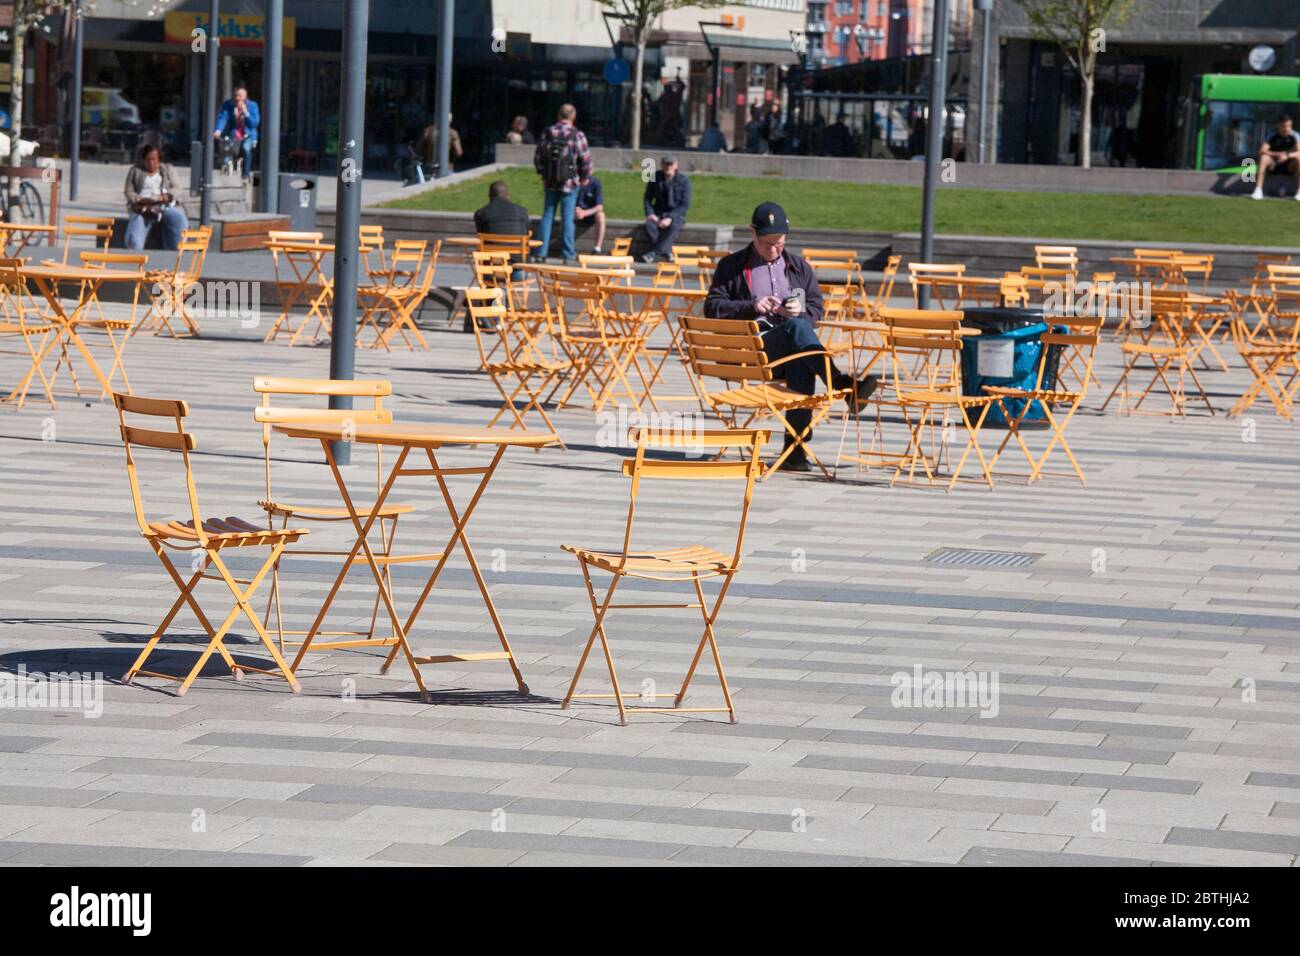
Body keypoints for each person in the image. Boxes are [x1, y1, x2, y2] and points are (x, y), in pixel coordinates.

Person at [703, 202, 877, 472]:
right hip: (753, 348)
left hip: (790, 349)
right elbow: (713, 306)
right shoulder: (732, 266)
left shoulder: (799, 267)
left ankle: (794, 451)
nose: (773, 249)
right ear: (752, 233)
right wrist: (753, 305)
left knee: (801, 352)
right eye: (767, 243)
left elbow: (817, 307)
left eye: (779, 243)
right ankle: (843, 385)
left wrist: (801, 313)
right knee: (798, 334)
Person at [533, 103, 593, 263]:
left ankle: (540, 252)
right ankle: (567, 254)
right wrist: (584, 176)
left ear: (558, 115)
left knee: (547, 215)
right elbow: (585, 159)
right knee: (567, 218)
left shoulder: (548, 132)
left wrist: (543, 174)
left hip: (550, 182)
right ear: (573, 117)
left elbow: (538, 156)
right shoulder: (577, 134)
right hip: (570, 183)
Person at [123, 144, 188, 251]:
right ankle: (135, 254)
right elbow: (128, 191)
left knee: (179, 219)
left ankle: (177, 249)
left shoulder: (167, 170)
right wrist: (137, 199)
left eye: (154, 160)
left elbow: (177, 188)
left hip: (164, 205)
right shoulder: (135, 171)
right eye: (148, 160)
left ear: (159, 160)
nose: (151, 163)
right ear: (143, 160)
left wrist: (165, 197)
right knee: (135, 235)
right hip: (142, 207)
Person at [641, 155, 691, 264]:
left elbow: (684, 205)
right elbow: (647, 198)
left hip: (676, 215)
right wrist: (650, 213)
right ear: (662, 165)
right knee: (649, 225)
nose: (668, 167)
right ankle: (666, 252)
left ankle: (653, 253)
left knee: (674, 227)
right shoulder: (655, 178)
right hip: (658, 213)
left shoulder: (684, 181)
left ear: (676, 166)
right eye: (666, 164)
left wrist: (670, 217)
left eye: (670, 164)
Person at [212, 83, 259, 181]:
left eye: (240, 96)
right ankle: (227, 169)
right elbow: (223, 118)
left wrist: (246, 113)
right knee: (227, 149)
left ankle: (245, 174)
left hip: (248, 134)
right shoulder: (228, 105)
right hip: (234, 133)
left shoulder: (252, 106)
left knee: (246, 149)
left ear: (245, 96)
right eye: (236, 95)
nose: (238, 98)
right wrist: (218, 130)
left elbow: (254, 123)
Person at [1252, 115, 1300, 200]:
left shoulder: (1295, 135)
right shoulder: (1272, 135)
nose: (1287, 129)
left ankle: (1299, 192)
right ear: (1279, 125)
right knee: (1263, 158)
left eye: (1289, 126)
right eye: (1284, 126)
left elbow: (1299, 152)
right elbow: (1262, 151)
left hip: (1290, 166)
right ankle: (1258, 191)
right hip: (1273, 165)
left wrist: (1287, 155)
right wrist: (1278, 154)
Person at [573, 175, 606, 253]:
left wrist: (585, 213)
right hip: (576, 212)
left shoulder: (595, 183)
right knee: (566, 216)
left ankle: (597, 248)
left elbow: (600, 206)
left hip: (590, 213)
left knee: (601, 215)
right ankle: (567, 248)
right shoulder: (574, 183)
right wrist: (576, 210)